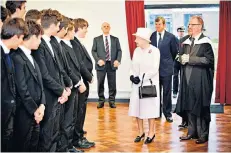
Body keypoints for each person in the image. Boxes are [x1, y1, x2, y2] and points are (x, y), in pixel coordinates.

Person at [32, 9, 70, 152]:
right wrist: (61, 90)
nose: (60, 26)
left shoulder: (52, 42)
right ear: (54, 25)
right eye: (59, 23)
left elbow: (59, 69)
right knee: (47, 136)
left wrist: (65, 87)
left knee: (55, 133)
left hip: (58, 95)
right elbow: (44, 74)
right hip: (48, 95)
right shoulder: (39, 44)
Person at [176, 16, 214, 144]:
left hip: (201, 81)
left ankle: (203, 134)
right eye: (189, 25)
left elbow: (208, 61)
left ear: (199, 26)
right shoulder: (186, 42)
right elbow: (181, 57)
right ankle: (191, 132)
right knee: (189, 106)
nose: (189, 27)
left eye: (192, 25)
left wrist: (191, 59)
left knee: (201, 106)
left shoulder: (205, 43)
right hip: (187, 80)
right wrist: (180, 58)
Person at [11, 20, 45, 152]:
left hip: (37, 111)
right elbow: (22, 89)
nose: (40, 42)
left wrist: (42, 105)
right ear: (31, 36)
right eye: (39, 38)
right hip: (25, 113)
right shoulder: (17, 57)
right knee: (23, 146)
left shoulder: (31, 55)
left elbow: (40, 83)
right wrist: (34, 110)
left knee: (33, 145)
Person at [129, 27, 160, 144]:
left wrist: (141, 77)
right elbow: (132, 66)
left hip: (149, 84)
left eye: (137, 38)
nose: (136, 40)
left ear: (144, 39)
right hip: (137, 85)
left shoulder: (155, 51)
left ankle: (151, 132)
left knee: (150, 109)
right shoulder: (136, 51)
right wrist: (132, 76)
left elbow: (154, 69)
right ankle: (140, 132)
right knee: (137, 108)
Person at [1, 17, 26, 152]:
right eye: (22, 38)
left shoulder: (8, 53)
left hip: (8, 111)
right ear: (16, 37)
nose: (22, 41)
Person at [61, 17, 86, 151]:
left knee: (72, 118)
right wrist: (76, 82)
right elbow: (66, 69)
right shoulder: (63, 46)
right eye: (71, 30)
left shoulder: (69, 44)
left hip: (73, 85)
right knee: (68, 120)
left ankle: (69, 145)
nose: (73, 33)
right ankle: (67, 146)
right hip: (69, 86)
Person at [71, 18, 95, 149]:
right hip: (80, 82)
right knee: (79, 112)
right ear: (78, 28)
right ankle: (77, 138)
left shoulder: (77, 42)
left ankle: (79, 135)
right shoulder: (74, 43)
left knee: (81, 110)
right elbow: (79, 64)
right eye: (85, 27)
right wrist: (89, 76)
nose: (86, 30)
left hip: (83, 80)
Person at [150, 16, 178, 122]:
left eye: (159, 24)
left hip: (166, 69)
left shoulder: (171, 37)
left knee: (166, 92)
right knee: (156, 93)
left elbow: (175, 52)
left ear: (164, 25)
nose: (157, 26)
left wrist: (169, 64)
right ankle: (157, 113)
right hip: (154, 70)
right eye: (156, 24)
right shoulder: (151, 36)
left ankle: (167, 113)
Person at [92, 22, 122, 108]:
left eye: (107, 26)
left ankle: (112, 101)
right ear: (101, 28)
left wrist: (118, 60)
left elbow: (119, 50)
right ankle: (101, 101)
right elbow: (93, 51)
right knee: (100, 83)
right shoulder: (96, 39)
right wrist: (98, 60)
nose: (106, 27)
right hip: (101, 65)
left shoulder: (115, 39)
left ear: (110, 28)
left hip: (112, 65)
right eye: (104, 26)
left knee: (112, 84)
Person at [173, 26, 185, 98]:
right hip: (176, 61)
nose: (181, 33)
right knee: (175, 76)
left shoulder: (186, 40)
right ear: (177, 32)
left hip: (183, 61)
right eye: (180, 31)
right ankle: (175, 92)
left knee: (183, 77)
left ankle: (182, 92)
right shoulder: (174, 39)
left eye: (182, 31)